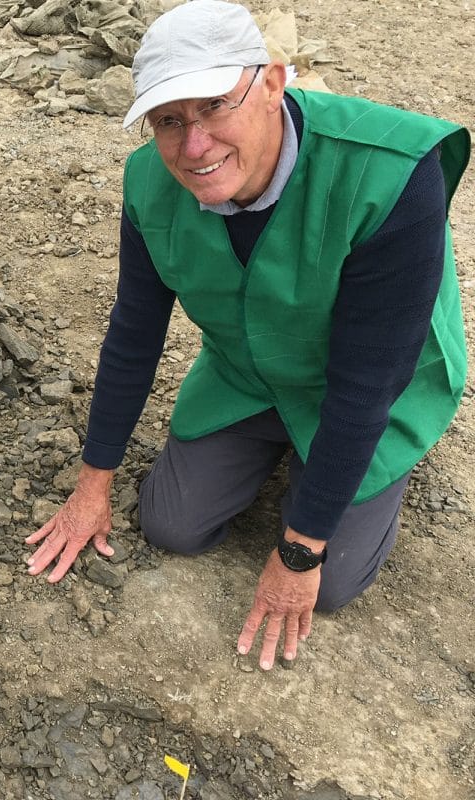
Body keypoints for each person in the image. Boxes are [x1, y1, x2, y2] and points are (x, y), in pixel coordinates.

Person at [27, 0, 469, 671]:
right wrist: (92, 488)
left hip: (370, 389)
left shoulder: (391, 173)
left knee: (332, 581)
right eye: (169, 121)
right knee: (172, 524)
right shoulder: (150, 181)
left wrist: (299, 550)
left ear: (271, 83)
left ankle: (370, 472)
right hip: (250, 374)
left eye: (213, 106)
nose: (194, 145)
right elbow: (133, 333)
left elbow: (366, 383)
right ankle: (298, 458)